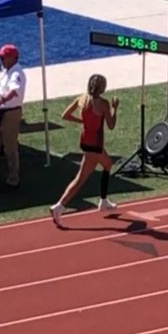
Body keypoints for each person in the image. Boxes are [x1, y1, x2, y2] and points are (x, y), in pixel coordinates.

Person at [50, 74, 119, 226]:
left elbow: (65, 115)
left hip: (85, 141)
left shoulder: (81, 99)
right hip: (95, 144)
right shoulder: (103, 104)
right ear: (102, 88)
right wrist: (115, 109)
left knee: (107, 165)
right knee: (80, 179)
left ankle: (103, 200)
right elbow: (111, 125)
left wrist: (81, 121)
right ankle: (59, 206)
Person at [0, 44, 26, 189]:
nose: (1, 59)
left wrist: (2, 100)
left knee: (10, 148)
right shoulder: (7, 71)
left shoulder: (16, 73)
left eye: (3, 57)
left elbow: (14, 91)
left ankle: (13, 179)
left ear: (13, 58)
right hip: (0, 113)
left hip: (10, 113)